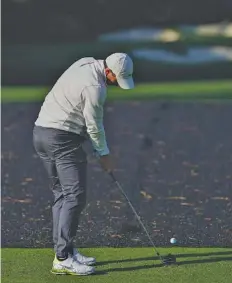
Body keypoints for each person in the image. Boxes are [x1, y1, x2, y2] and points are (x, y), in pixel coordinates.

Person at [33, 53, 134, 275]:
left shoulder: (85, 62)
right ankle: (62, 258)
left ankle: (65, 251)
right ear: (109, 72)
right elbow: (94, 125)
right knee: (75, 195)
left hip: (40, 132)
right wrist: (104, 154)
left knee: (62, 194)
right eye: (116, 78)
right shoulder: (96, 88)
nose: (116, 83)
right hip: (62, 139)